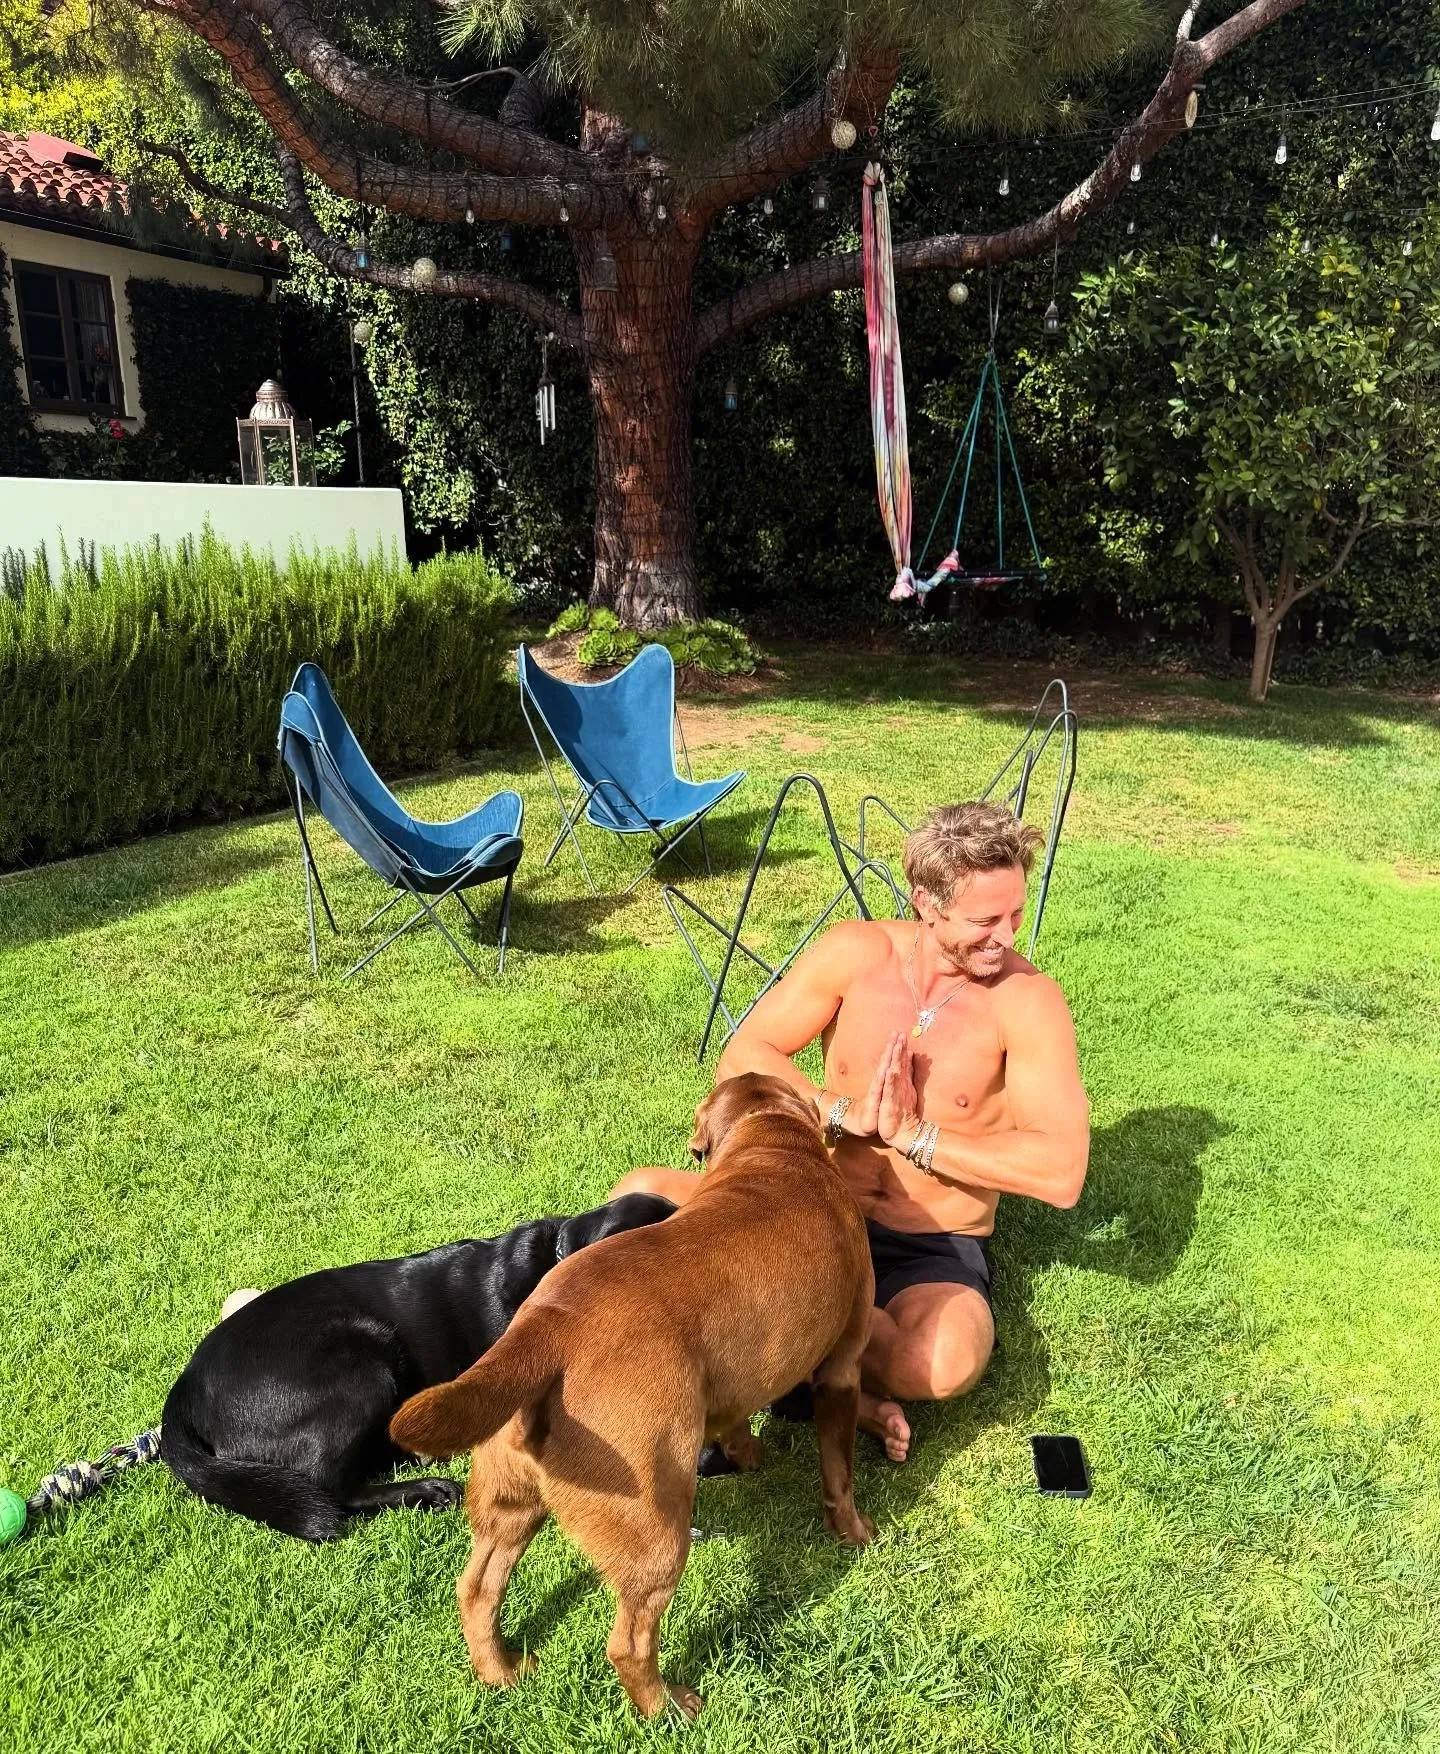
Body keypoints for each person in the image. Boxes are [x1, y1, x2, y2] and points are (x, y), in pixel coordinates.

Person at [611, 800, 1090, 1462]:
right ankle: (820, 1379)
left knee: (943, 1361)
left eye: (1014, 914)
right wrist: (843, 1112)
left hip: (929, 1245)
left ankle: (774, 1351)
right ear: (926, 904)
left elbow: (1061, 1171)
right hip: (809, 1207)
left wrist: (917, 1137)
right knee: (636, 1199)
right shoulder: (857, 953)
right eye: (984, 921)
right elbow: (745, 1052)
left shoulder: (1028, 1002)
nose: (1006, 937)